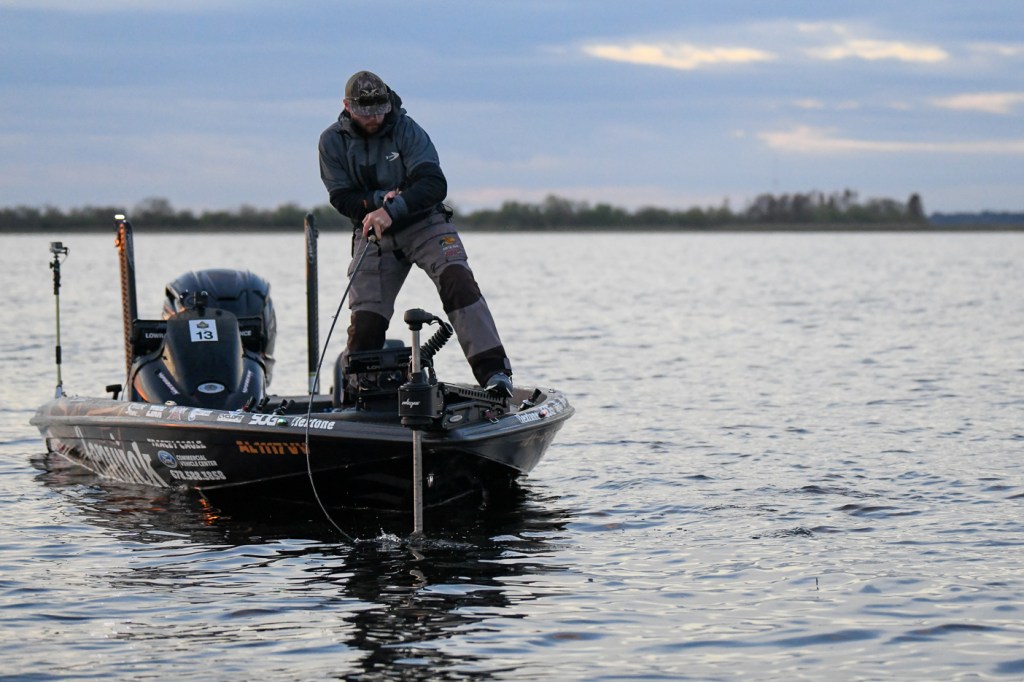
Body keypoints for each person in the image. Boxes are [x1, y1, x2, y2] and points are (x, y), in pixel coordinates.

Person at [318, 70, 513, 397]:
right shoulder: (331, 141)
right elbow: (341, 198)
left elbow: (433, 184)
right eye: (365, 112)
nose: (374, 118)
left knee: (458, 281)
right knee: (366, 318)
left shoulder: (407, 130)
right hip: (373, 232)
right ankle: (359, 393)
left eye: (379, 110)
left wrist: (393, 208)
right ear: (347, 107)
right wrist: (378, 202)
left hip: (424, 223)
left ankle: (496, 374)